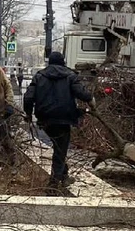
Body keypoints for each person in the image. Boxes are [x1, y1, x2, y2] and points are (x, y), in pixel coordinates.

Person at [24, 51, 94, 189]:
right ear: (63, 62)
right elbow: (82, 93)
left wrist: (28, 114)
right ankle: (53, 185)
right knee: (60, 150)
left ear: (49, 62)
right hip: (64, 119)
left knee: (59, 148)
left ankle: (64, 176)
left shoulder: (39, 76)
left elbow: (28, 97)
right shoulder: (70, 76)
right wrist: (92, 102)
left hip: (45, 119)